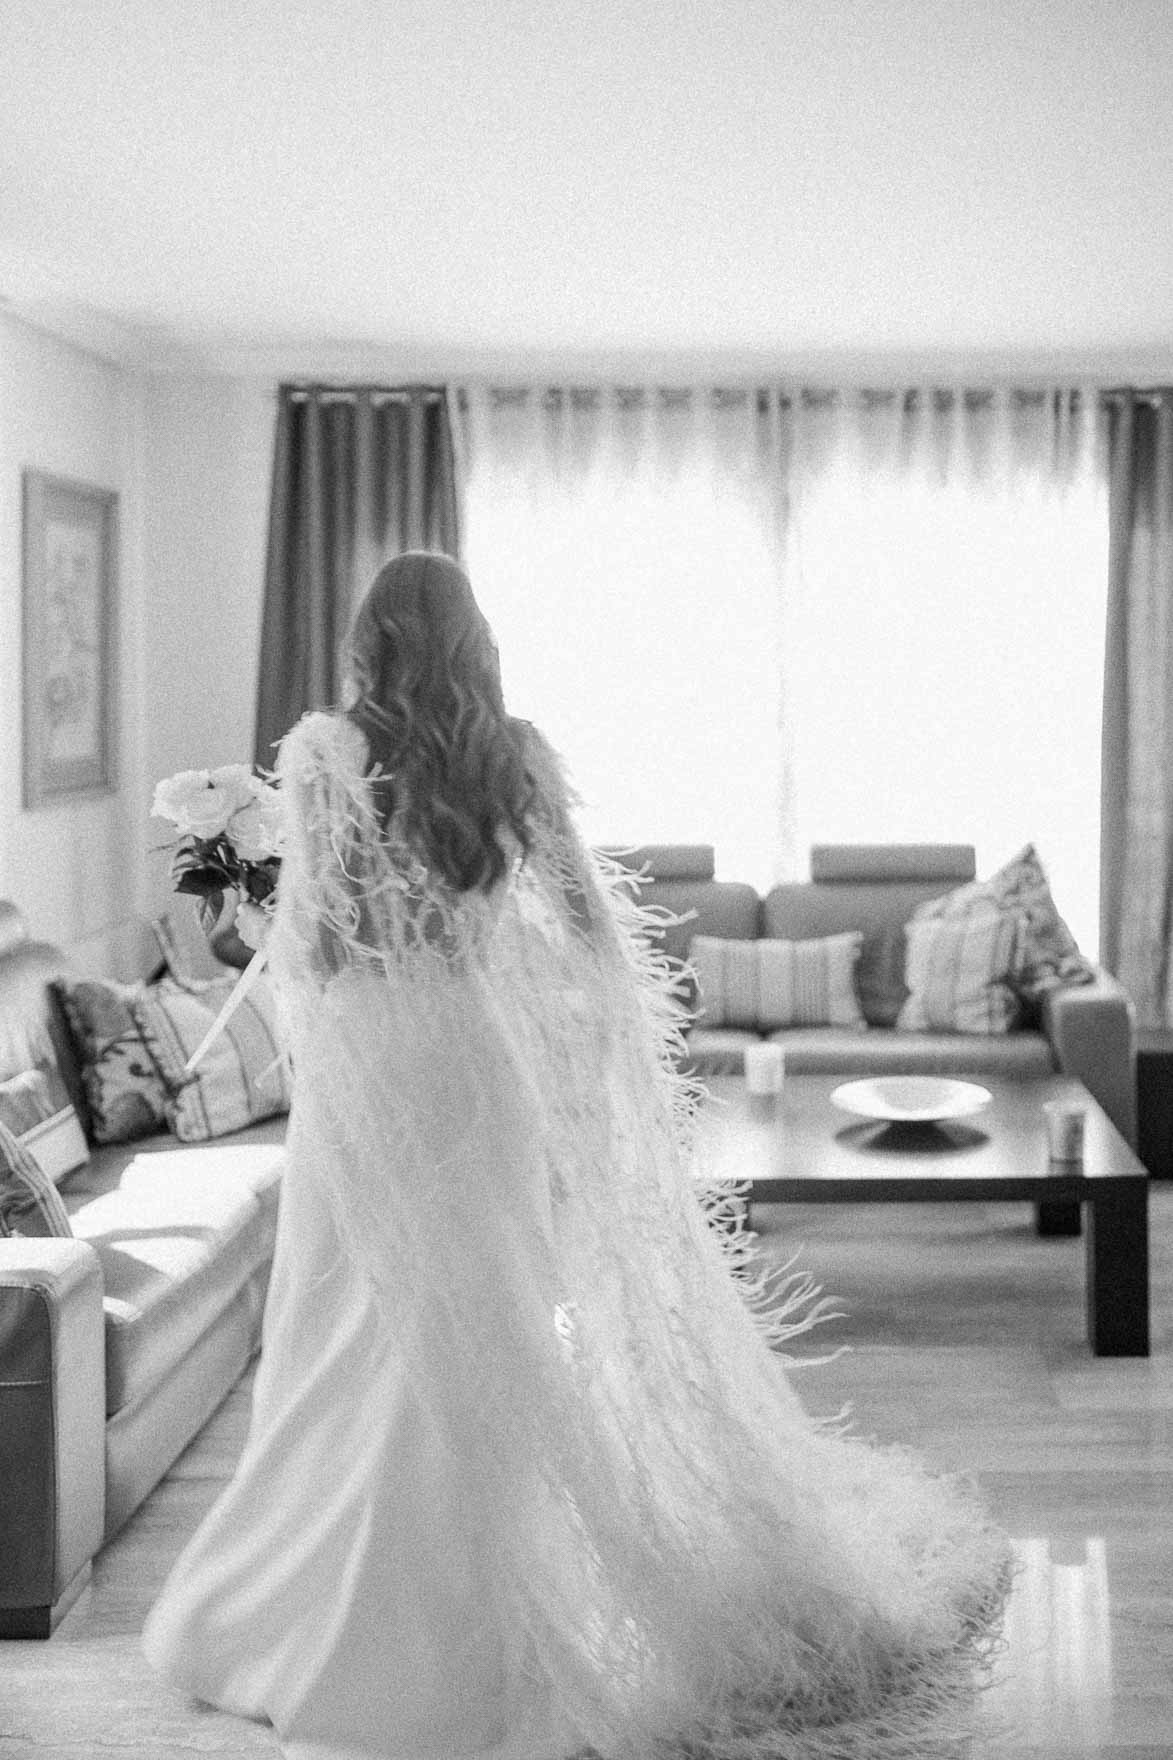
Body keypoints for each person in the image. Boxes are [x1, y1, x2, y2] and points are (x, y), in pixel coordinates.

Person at [143, 551, 1011, 1760]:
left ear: (366, 641)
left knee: (349, 1332)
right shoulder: (518, 754)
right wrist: (579, 1080)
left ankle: (326, 1619)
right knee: (489, 1326)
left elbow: (327, 949)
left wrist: (254, 915)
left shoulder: (325, 753)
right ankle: (493, 1615)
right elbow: (596, 942)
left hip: (373, 1076)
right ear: (473, 639)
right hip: (478, 1073)